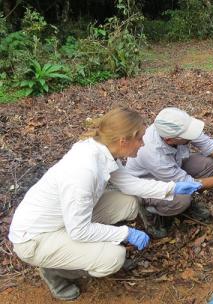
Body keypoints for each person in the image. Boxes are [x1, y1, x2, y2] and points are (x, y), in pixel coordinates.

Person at [8, 107, 203, 301]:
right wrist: (126, 233)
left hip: (65, 219)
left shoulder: (104, 151)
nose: (143, 144)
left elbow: (130, 184)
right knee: (113, 258)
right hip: (35, 238)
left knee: (127, 203)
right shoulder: (84, 171)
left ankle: (90, 251)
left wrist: (172, 188)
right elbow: (79, 231)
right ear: (123, 141)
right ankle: (56, 272)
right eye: (140, 139)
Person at [126, 107, 213, 238]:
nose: (192, 136)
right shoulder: (151, 152)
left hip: (173, 167)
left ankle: (188, 203)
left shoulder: (176, 128)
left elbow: (209, 145)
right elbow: (188, 182)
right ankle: (149, 211)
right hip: (147, 184)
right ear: (169, 140)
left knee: (208, 164)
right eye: (188, 135)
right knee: (182, 200)